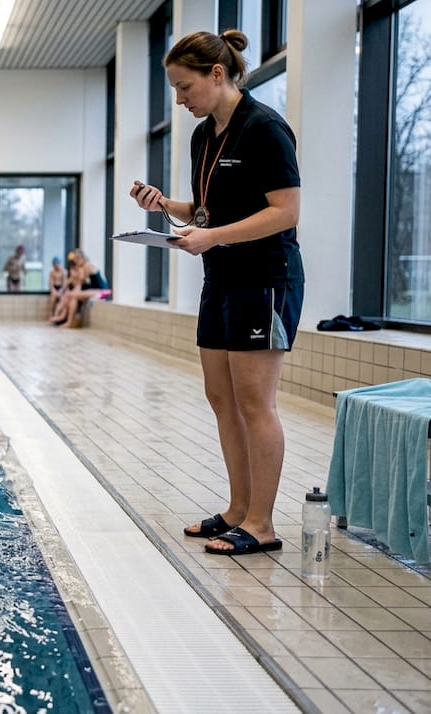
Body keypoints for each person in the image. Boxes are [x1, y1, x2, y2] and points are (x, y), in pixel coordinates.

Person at [130, 29, 302, 557]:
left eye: (185, 88)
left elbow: (285, 212)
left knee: (255, 403)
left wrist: (212, 237)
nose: (180, 100)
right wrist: (168, 206)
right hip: (221, 279)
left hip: (265, 279)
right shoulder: (204, 135)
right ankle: (236, 510)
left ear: (217, 74)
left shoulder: (266, 128)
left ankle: (263, 523)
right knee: (221, 399)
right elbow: (210, 211)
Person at [49, 250, 108, 327]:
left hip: (103, 291)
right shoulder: (84, 267)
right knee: (73, 298)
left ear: (81, 258)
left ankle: (63, 317)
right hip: (95, 290)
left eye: (76, 259)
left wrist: (72, 292)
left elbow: (80, 283)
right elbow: (79, 285)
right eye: (74, 260)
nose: (75, 262)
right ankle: (67, 321)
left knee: (70, 294)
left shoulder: (87, 266)